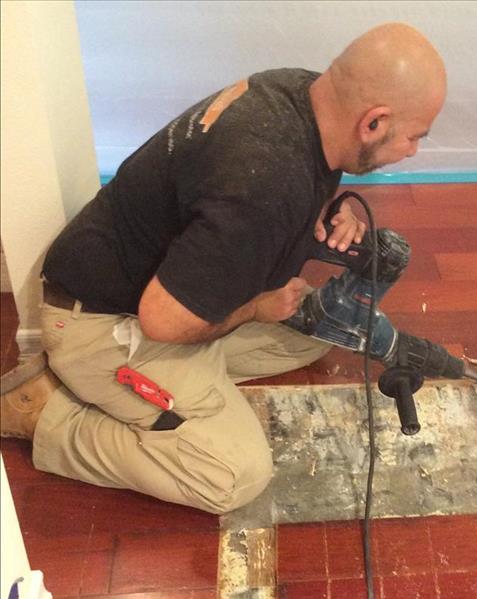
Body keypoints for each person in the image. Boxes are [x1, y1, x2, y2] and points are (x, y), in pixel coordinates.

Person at [0, 22, 447, 514]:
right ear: (374, 123)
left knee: (316, 336)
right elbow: (163, 321)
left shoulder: (303, 94)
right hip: (105, 324)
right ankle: (47, 414)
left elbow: (247, 198)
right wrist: (254, 308)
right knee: (233, 475)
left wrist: (329, 209)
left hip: (156, 281)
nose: (413, 152)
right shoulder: (264, 185)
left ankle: (183, 383)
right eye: (413, 137)